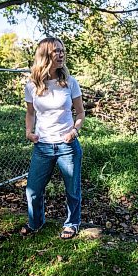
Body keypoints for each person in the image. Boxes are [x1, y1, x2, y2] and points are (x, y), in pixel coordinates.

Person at [20, 37, 85, 239]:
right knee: (33, 190)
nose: (61, 54)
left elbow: (81, 113)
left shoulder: (70, 82)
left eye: (62, 51)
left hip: (67, 145)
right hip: (43, 146)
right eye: (56, 51)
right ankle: (36, 222)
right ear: (45, 55)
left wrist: (74, 131)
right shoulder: (32, 85)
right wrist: (29, 132)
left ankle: (72, 223)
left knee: (72, 190)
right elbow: (30, 113)